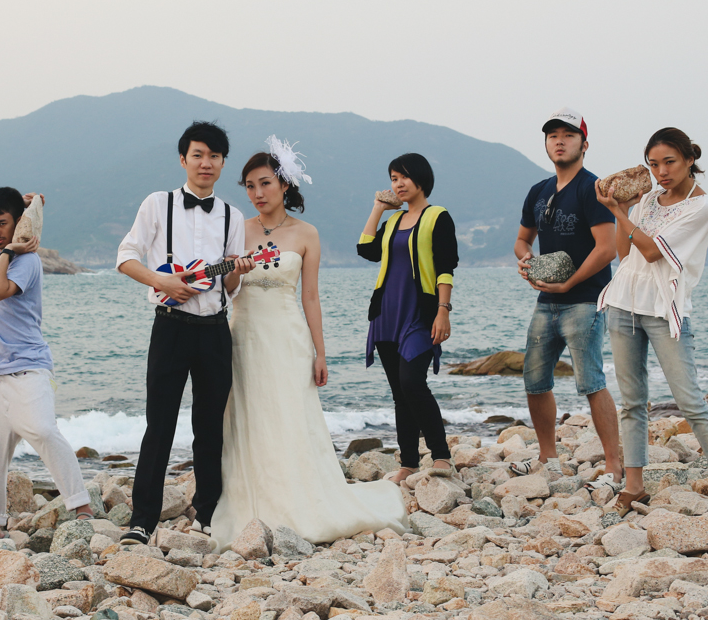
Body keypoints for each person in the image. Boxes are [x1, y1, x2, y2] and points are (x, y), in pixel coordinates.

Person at [213, 138, 408, 548]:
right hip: (244, 335)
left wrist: (321, 352)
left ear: (284, 184)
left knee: (290, 417)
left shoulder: (307, 233)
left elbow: (311, 296)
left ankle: (300, 501)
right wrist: (235, 269)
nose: (257, 193)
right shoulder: (236, 229)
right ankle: (253, 503)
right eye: (249, 185)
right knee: (249, 417)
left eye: (264, 183)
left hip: (288, 338)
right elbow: (227, 288)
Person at [115, 121, 255, 545]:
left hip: (214, 330)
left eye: (214, 156)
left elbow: (230, 286)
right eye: (198, 155)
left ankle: (208, 512)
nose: (206, 163)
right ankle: (143, 519)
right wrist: (163, 283)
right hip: (171, 327)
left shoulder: (232, 215)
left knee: (210, 426)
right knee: (159, 424)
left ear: (223, 163)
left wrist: (239, 270)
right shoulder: (158, 204)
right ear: (183, 159)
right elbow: (126, 256)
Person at [597, 128, 708, 516]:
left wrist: (616, 211)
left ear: (689, 159)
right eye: (653, 164)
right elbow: (622, 251)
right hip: (623, 301)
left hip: (663, 307)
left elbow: (648, 252)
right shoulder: (647, 199)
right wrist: (626, 212)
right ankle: (634, 486)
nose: (661, 171)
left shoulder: (701, 207)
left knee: (690, 401)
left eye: (669, 162)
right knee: (632, 402)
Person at [512, 107, 622, 488]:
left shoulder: (593, 189)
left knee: (591, 381)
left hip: (586, 300)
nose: (559, 140)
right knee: (535, 381)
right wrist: (527, 261)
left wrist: (569, 282)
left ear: (584, 144)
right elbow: (522, 240)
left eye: (568, 135)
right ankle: (548, 459)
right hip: (546, 301)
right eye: (552, 135)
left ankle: (613, 467)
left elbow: (607, 249)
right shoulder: (538, 191)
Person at [0, 187, 94, 535]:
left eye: (2, 224)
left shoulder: (26, 260)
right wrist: (33, 205)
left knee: (43, 431)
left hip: (29, 369)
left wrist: (12, 248)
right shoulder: (8, 253)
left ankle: (82, 506)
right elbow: (31, 208)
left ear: (16, 224)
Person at [359, 153, 458, 485]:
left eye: (403, 177)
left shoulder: (438, 217)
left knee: (413, 382)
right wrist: (378, 208)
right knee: (399, 391)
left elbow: (446, 267)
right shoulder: (393, 221)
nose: (397, 184)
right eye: (392, 178)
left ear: (420, 179)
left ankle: (441, 454)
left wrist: (443, 310)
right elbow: (366, 248)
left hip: (422, 314)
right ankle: (410, 461)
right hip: (386, 314)